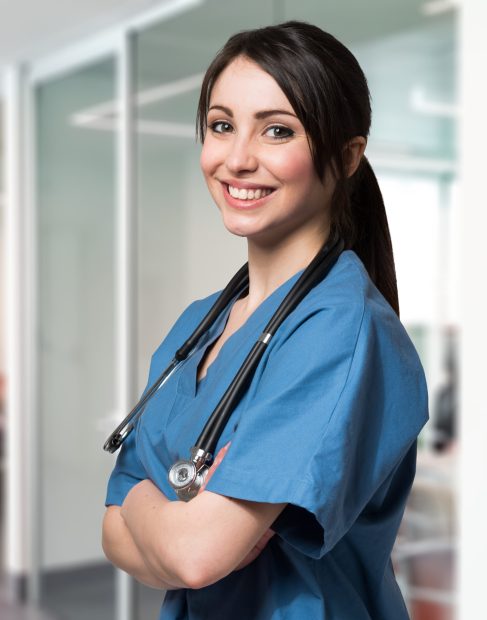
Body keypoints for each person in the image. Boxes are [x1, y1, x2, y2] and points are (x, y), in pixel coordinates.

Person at [102, 20, 429, 619]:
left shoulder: (341, 332)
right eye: (221, 126)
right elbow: (111, 532)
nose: (237, 158)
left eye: (277, 130)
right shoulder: (199, 326)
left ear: (348, 156)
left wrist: (153, 505)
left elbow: (195, 555)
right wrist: (174, 521)